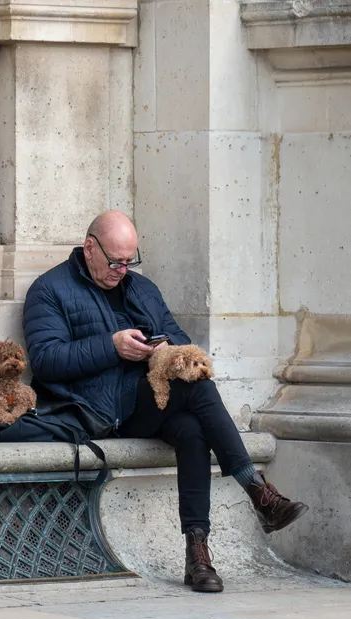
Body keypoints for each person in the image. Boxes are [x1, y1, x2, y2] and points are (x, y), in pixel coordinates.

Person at [23, 210, 308, 592]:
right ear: (90, 248)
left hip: (149, 402)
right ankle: (256, 489)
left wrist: (167, 347)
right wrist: (112, 347)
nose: (122, 269)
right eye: (115, 261)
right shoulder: (49, 289)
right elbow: (46, 360)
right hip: (99, 410)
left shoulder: (142, 288)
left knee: (192, 428)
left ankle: (198, 556)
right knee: (197, 389)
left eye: (130, 261)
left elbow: (180, 338)